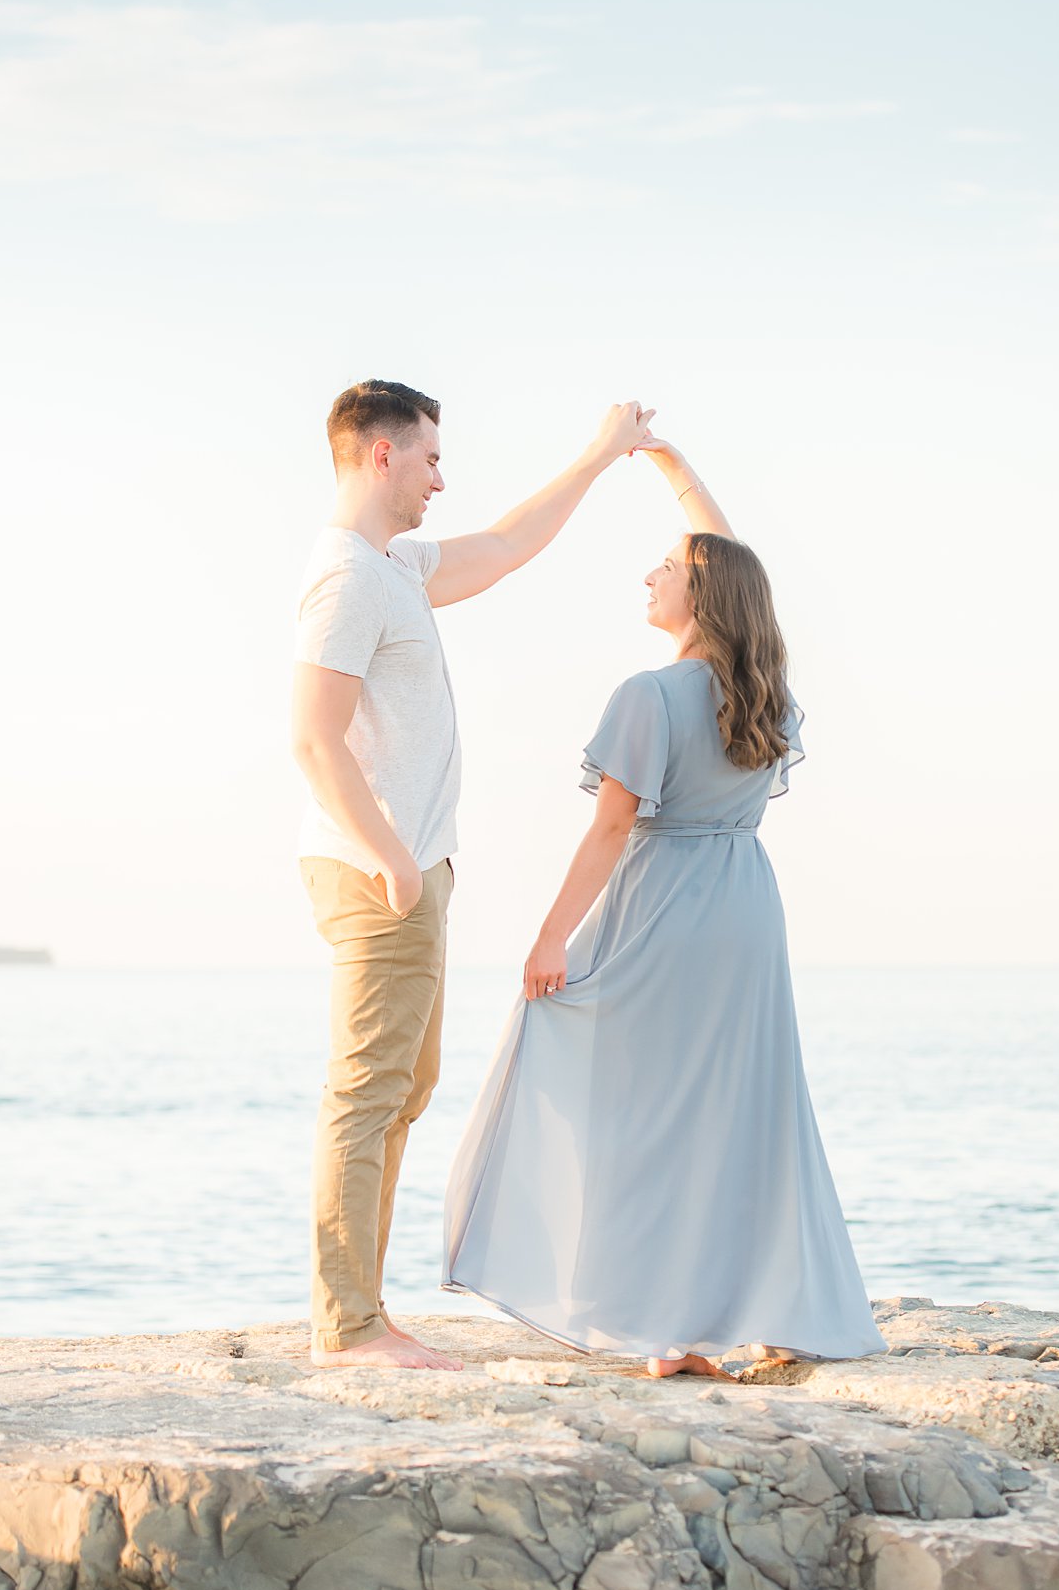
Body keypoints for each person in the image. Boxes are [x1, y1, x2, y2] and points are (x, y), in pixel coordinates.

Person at [443, 434, 885, 1374]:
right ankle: (756, 1309)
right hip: (745, 908)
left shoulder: (649, 694)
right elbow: (735, 569)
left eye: (669, 569)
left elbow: (609, 833)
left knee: (632, 1109)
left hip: (660, 904)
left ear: (700, 596)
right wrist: (672, 469)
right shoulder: (763, 692)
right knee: (739, 1109)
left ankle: (654, 1323)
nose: (650, 575)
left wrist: (548, 937)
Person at [292, 379, 655, 1370]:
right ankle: (348, 1326)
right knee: (368, 1094)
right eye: (429, 459)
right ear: (380, 454)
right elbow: (313, 739)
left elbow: (502, 545)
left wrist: (595, 456)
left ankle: (360, 1309)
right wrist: (390, 861)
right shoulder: (346, 579)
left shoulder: (392, 568)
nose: (440, 480)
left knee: (403, 1089)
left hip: (411, 871)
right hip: (381, 876)